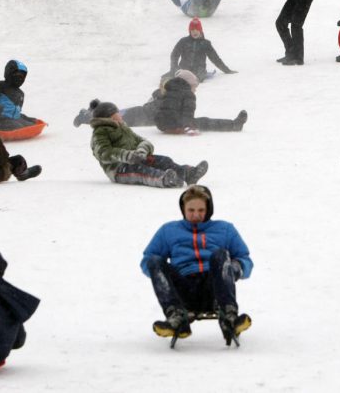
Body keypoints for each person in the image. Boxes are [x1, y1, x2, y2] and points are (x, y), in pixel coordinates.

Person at [141, 185, 252, 342]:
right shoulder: (169, 231)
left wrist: (233, 269)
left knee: (220, 254)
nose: (196, 215)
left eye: (201, 210)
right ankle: (176, 317)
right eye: (191, 210)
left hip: (215, 288)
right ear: (183, 209)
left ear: (209, 209)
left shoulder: (225, 229)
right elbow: (147, 260)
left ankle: (229, 316)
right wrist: (158, 272)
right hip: (183, 289)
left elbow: (245, 259)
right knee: (154, 260)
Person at [88, 100, 208, 188]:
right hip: (119, 169)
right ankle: (165, 179)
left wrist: (141, 151)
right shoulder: (100, 133)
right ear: (109, 118)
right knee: (140, 171)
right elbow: (103, 152)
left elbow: (142, 140)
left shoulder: (123, 127)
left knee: (163, 160)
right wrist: (127, 155)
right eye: (116, 114)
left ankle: (187, 173)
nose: (120, 116)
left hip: (136, 158)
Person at [155, 70, 248, 134]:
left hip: (162, 124)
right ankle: (235, 125)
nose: (195, 90)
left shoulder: (170, 90)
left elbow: (165, 109)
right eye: (194, 87)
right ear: (188, 84)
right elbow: (187, 113)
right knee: (206, 122)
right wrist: (187, 127)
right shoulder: (188, 94)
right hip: (176, 125)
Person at [168, 18, 236, 81]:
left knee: (195, 79)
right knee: (178, 79)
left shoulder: (205, 43)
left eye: (197, 30)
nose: (195, 32)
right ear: (189, 31)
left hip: (199, 71)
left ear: (200, 30)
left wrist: (227, 70)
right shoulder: (183, 41)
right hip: (184, 69)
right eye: (192, 30)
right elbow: (174, 55)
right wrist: (174, 68)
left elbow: (215, 58)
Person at [0, 60, 38, 130]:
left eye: (22, 76)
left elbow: (16, 113)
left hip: (13, 120)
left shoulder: (21, 94)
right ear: (9, 73)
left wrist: (26, 118)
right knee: (16, 126)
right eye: (17, 75)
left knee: (30, 125)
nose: (20, 78)